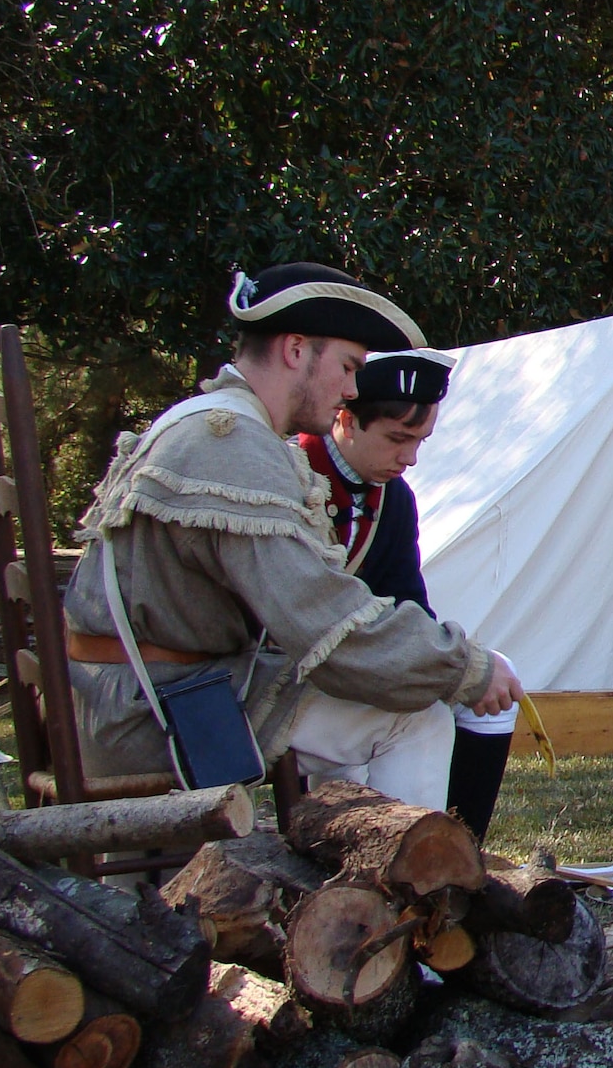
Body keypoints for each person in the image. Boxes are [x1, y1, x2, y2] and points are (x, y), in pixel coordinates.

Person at [65, 262, 522, 811]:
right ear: (296, 349)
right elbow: (323, 622)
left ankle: (351, 873)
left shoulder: (214, 423)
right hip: (152, 710)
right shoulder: (232, 444)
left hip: (146, 691)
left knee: (369, 705)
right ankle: (410, 895)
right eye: (349, 366)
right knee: (415, 721)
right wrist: (466, 667)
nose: (353, 387)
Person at [297, 348, 518, 838]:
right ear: (346, 420)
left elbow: (407, 606)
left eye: (420, 440)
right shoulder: (290, 476)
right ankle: (400, 866)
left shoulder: (393, 498)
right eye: (398, 438)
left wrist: (449, 663)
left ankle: (461, 850)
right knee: (421, 720)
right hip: (288, 678)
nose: (410, 458)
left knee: (498, 681)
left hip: (357, 662)